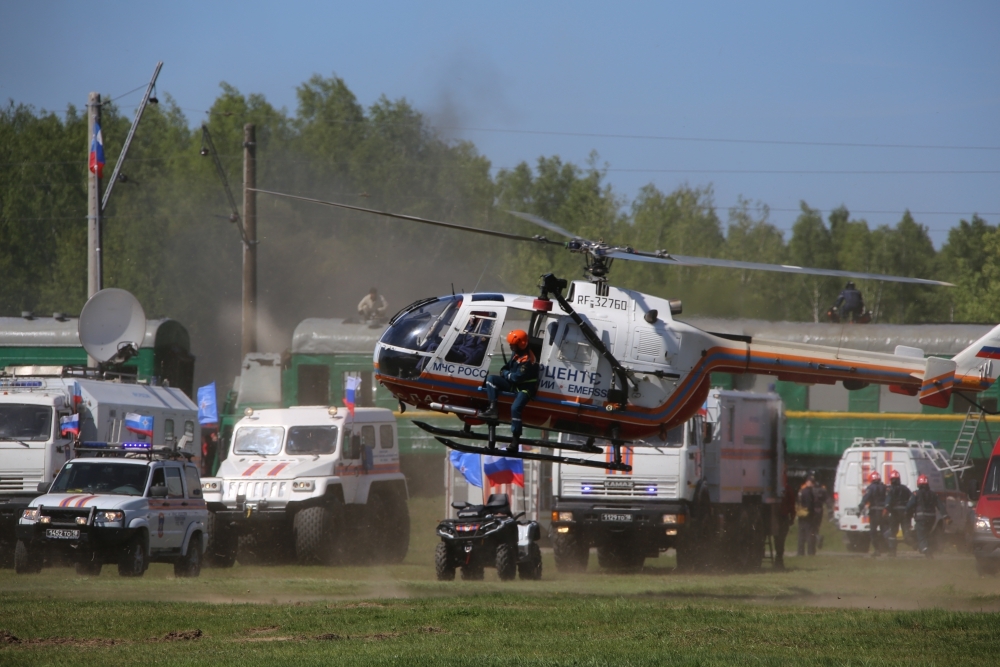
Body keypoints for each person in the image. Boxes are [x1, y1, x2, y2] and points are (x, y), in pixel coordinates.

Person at [481, 329, 539, 452]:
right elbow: (505, 369)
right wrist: (507, 373)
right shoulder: (516, 353)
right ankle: (493, 409)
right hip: (514, 384)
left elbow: (516, 377)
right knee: (491, 379)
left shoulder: (527, 359)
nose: (510, 346)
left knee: (515, 408)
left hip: (525, 389)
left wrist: (506, 374)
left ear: (520, 344)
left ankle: (515, 440)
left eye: (512, 344)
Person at [906, 474, 948, 557]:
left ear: (918, 483)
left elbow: (909, 506)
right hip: (932, 519)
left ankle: (926, 550)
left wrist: (905, 514)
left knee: (921, 535)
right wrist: (946, 516)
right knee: (926, 534)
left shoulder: (916, 494)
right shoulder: (933, 494)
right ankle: (926, 547)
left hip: (921, 519)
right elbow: (940, 506)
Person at [857, 471, 888, 557]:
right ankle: (891, 548)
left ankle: (877, 550)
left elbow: (865, 498)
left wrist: (860, 508)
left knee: (873, 532)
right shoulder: (884, 487)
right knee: (885, 531)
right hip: (883, 513)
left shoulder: (871, 488)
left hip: (874, 513)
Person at [883, 470, 912, 557]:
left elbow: (888, 499)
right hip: (905, 514)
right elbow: (912, 499)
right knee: (906, 534)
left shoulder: (890, 489)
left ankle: (892, 551)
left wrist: (886, 509)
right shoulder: (905, 489)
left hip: (895, 514)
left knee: (891, 533)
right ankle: (919, 545)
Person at [774, 468, 797, 569]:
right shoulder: (787, 489)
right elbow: (792, 505)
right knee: (780, 540)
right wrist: (792, 517)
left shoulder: (784, 489)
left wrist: (792, 517)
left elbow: (791, 505)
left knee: (779, 540)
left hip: (780, 517)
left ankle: (779, 560)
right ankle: (779, 560)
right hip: (783, 517)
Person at [796, 476, 819, 556]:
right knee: (810, 534)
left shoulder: (801, 491)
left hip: (801, 514)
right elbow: (809, 504)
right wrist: (812, 514)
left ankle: (800, 552)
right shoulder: (809, 492)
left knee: (801, 535)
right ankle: (810, 551)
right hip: (808, 515)